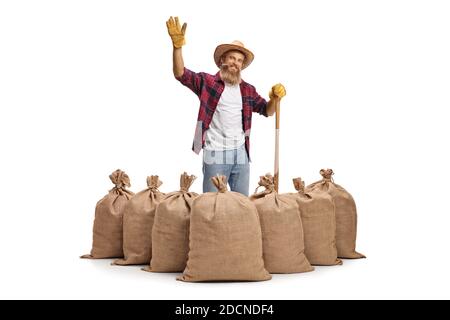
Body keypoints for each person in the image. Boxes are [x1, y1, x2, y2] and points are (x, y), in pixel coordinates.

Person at [166, 16, 286, 196]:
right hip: (214, 153)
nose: (235, 63)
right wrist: (177, 47)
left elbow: (267, 111)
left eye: (239, 60)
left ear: (242, 66)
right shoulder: (208, 82)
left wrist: (275, 100)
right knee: (211, 206)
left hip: (241, 153)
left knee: (242, 206)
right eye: (231, 58)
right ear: (223, 60)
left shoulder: (247, 90)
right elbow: (180, 73)